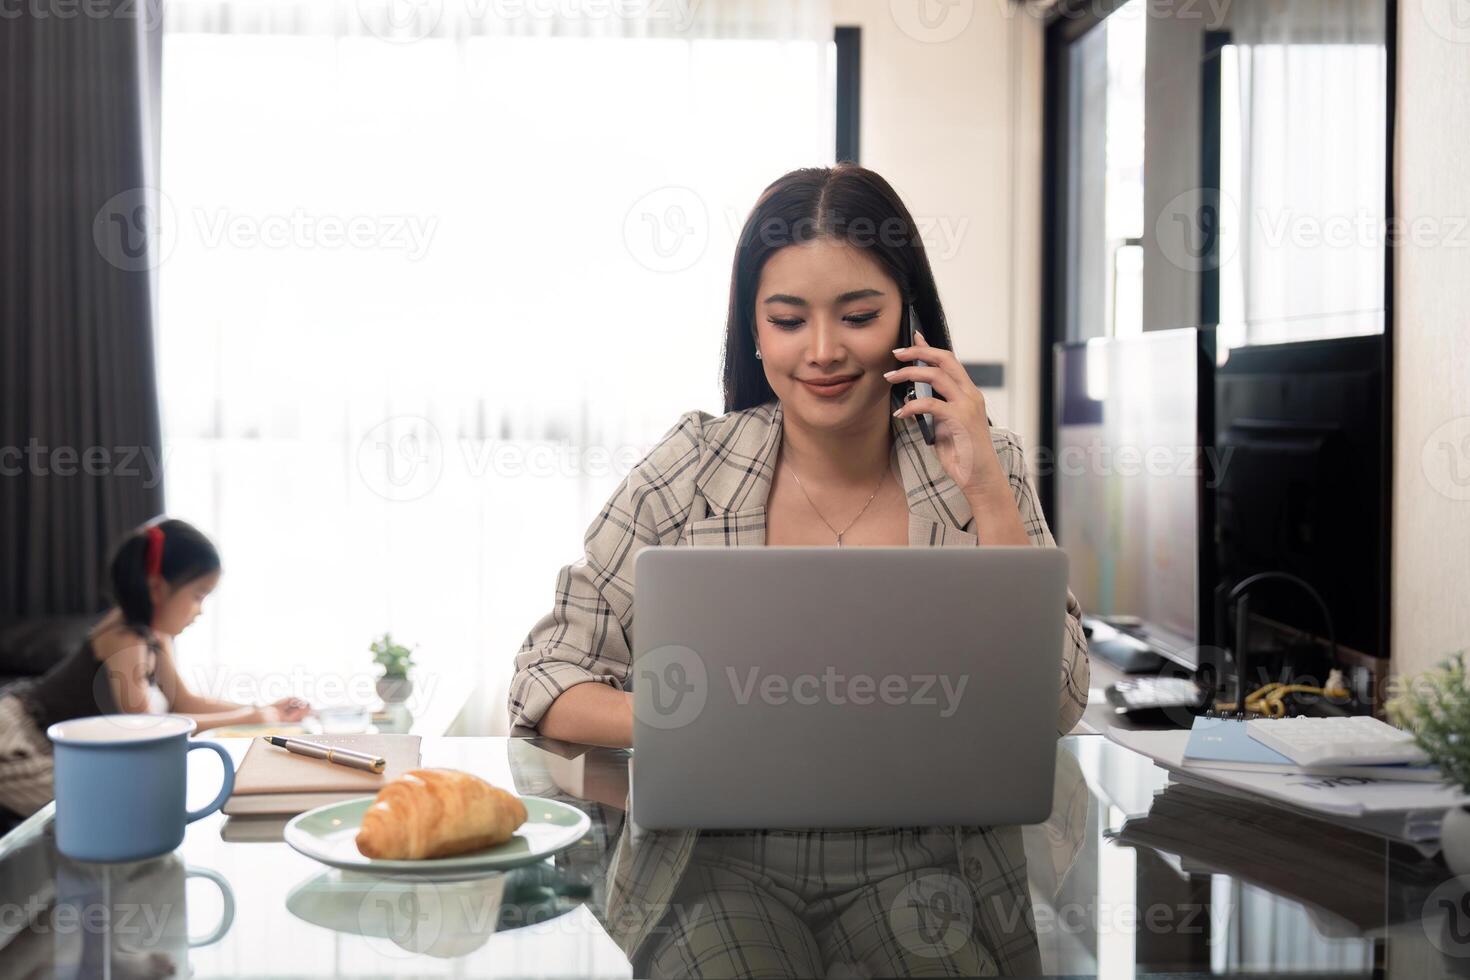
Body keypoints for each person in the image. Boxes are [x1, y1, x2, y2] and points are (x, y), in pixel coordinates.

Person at [509, 163, 1089, 975]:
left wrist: (987, 486)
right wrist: (700, 727)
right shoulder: (686, 471)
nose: (823, 351)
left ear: (906, 317)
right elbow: (545, 679)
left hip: (925, 864)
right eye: (788, 320)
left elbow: (1055, 706)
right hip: (717, 865)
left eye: (858, 315)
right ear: (753, 328)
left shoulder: (984, 470)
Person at [0, 518, 310, 817]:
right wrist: (251, 717)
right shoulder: (126, 640)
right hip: (17, 744)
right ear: (156, 588)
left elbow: (184, 702)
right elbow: (149, 727)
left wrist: (261, 710)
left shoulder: (155, 633)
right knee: (98, 803)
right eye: (198, 595)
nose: (200, 611)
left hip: (46, 741)